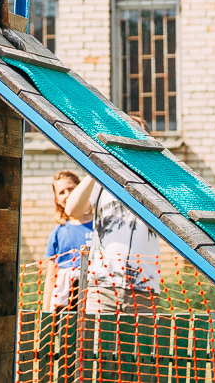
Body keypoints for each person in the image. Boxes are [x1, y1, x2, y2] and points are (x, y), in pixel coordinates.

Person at [65, 114, 163, 316]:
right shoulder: (101, 180)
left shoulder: (156, 182)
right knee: (97, 347)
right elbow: (72, 210)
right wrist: (98, 165)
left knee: (139, 348)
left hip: (144, 287)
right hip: (102, 286)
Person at [42, 169, 93, 312]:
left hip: (94, 298)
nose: (67, 194)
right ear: (57, 200)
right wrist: (46, 314)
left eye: (71, 189)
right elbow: (51, 276)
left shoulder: (99, 225)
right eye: (61, 192)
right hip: (66, 303)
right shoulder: (58, 232)